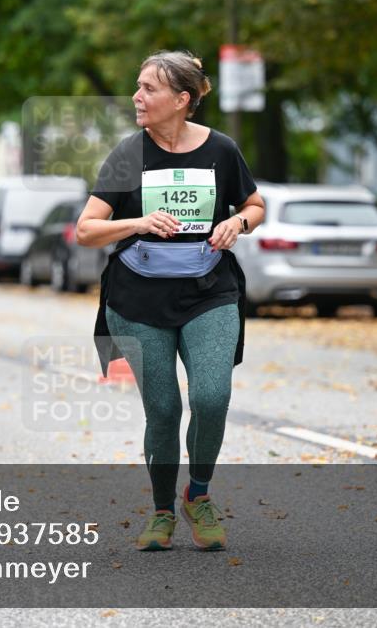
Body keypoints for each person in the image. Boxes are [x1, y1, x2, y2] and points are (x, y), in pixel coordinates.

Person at [76, 50, 266, 552]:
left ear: (182, 100)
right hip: (138, 299)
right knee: (162, 409)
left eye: (149, 89)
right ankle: (162, 511)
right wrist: (137, 222)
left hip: (210, 292)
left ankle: (197, 495)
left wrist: (237, 222)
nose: (137, 97)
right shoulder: (127, 155)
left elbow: (255, 204)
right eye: (137, 87)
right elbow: (86, 229)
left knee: (211, 396)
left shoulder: (221, 150)